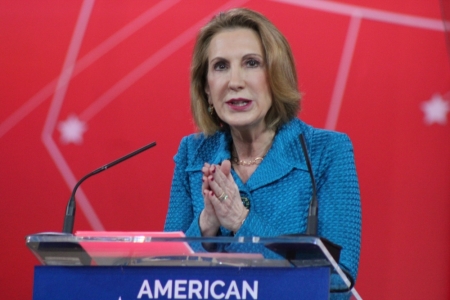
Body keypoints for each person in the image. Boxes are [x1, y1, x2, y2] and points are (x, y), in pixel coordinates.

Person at [164, 7, 361, 296]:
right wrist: (206, 226)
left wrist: (241, 222)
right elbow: (162, 273)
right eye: (220, 66)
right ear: (206, 88)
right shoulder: (193, 154)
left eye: (251, 63)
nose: (235, 81)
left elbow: (338, 280)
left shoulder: (326, 151)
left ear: (276, 75)